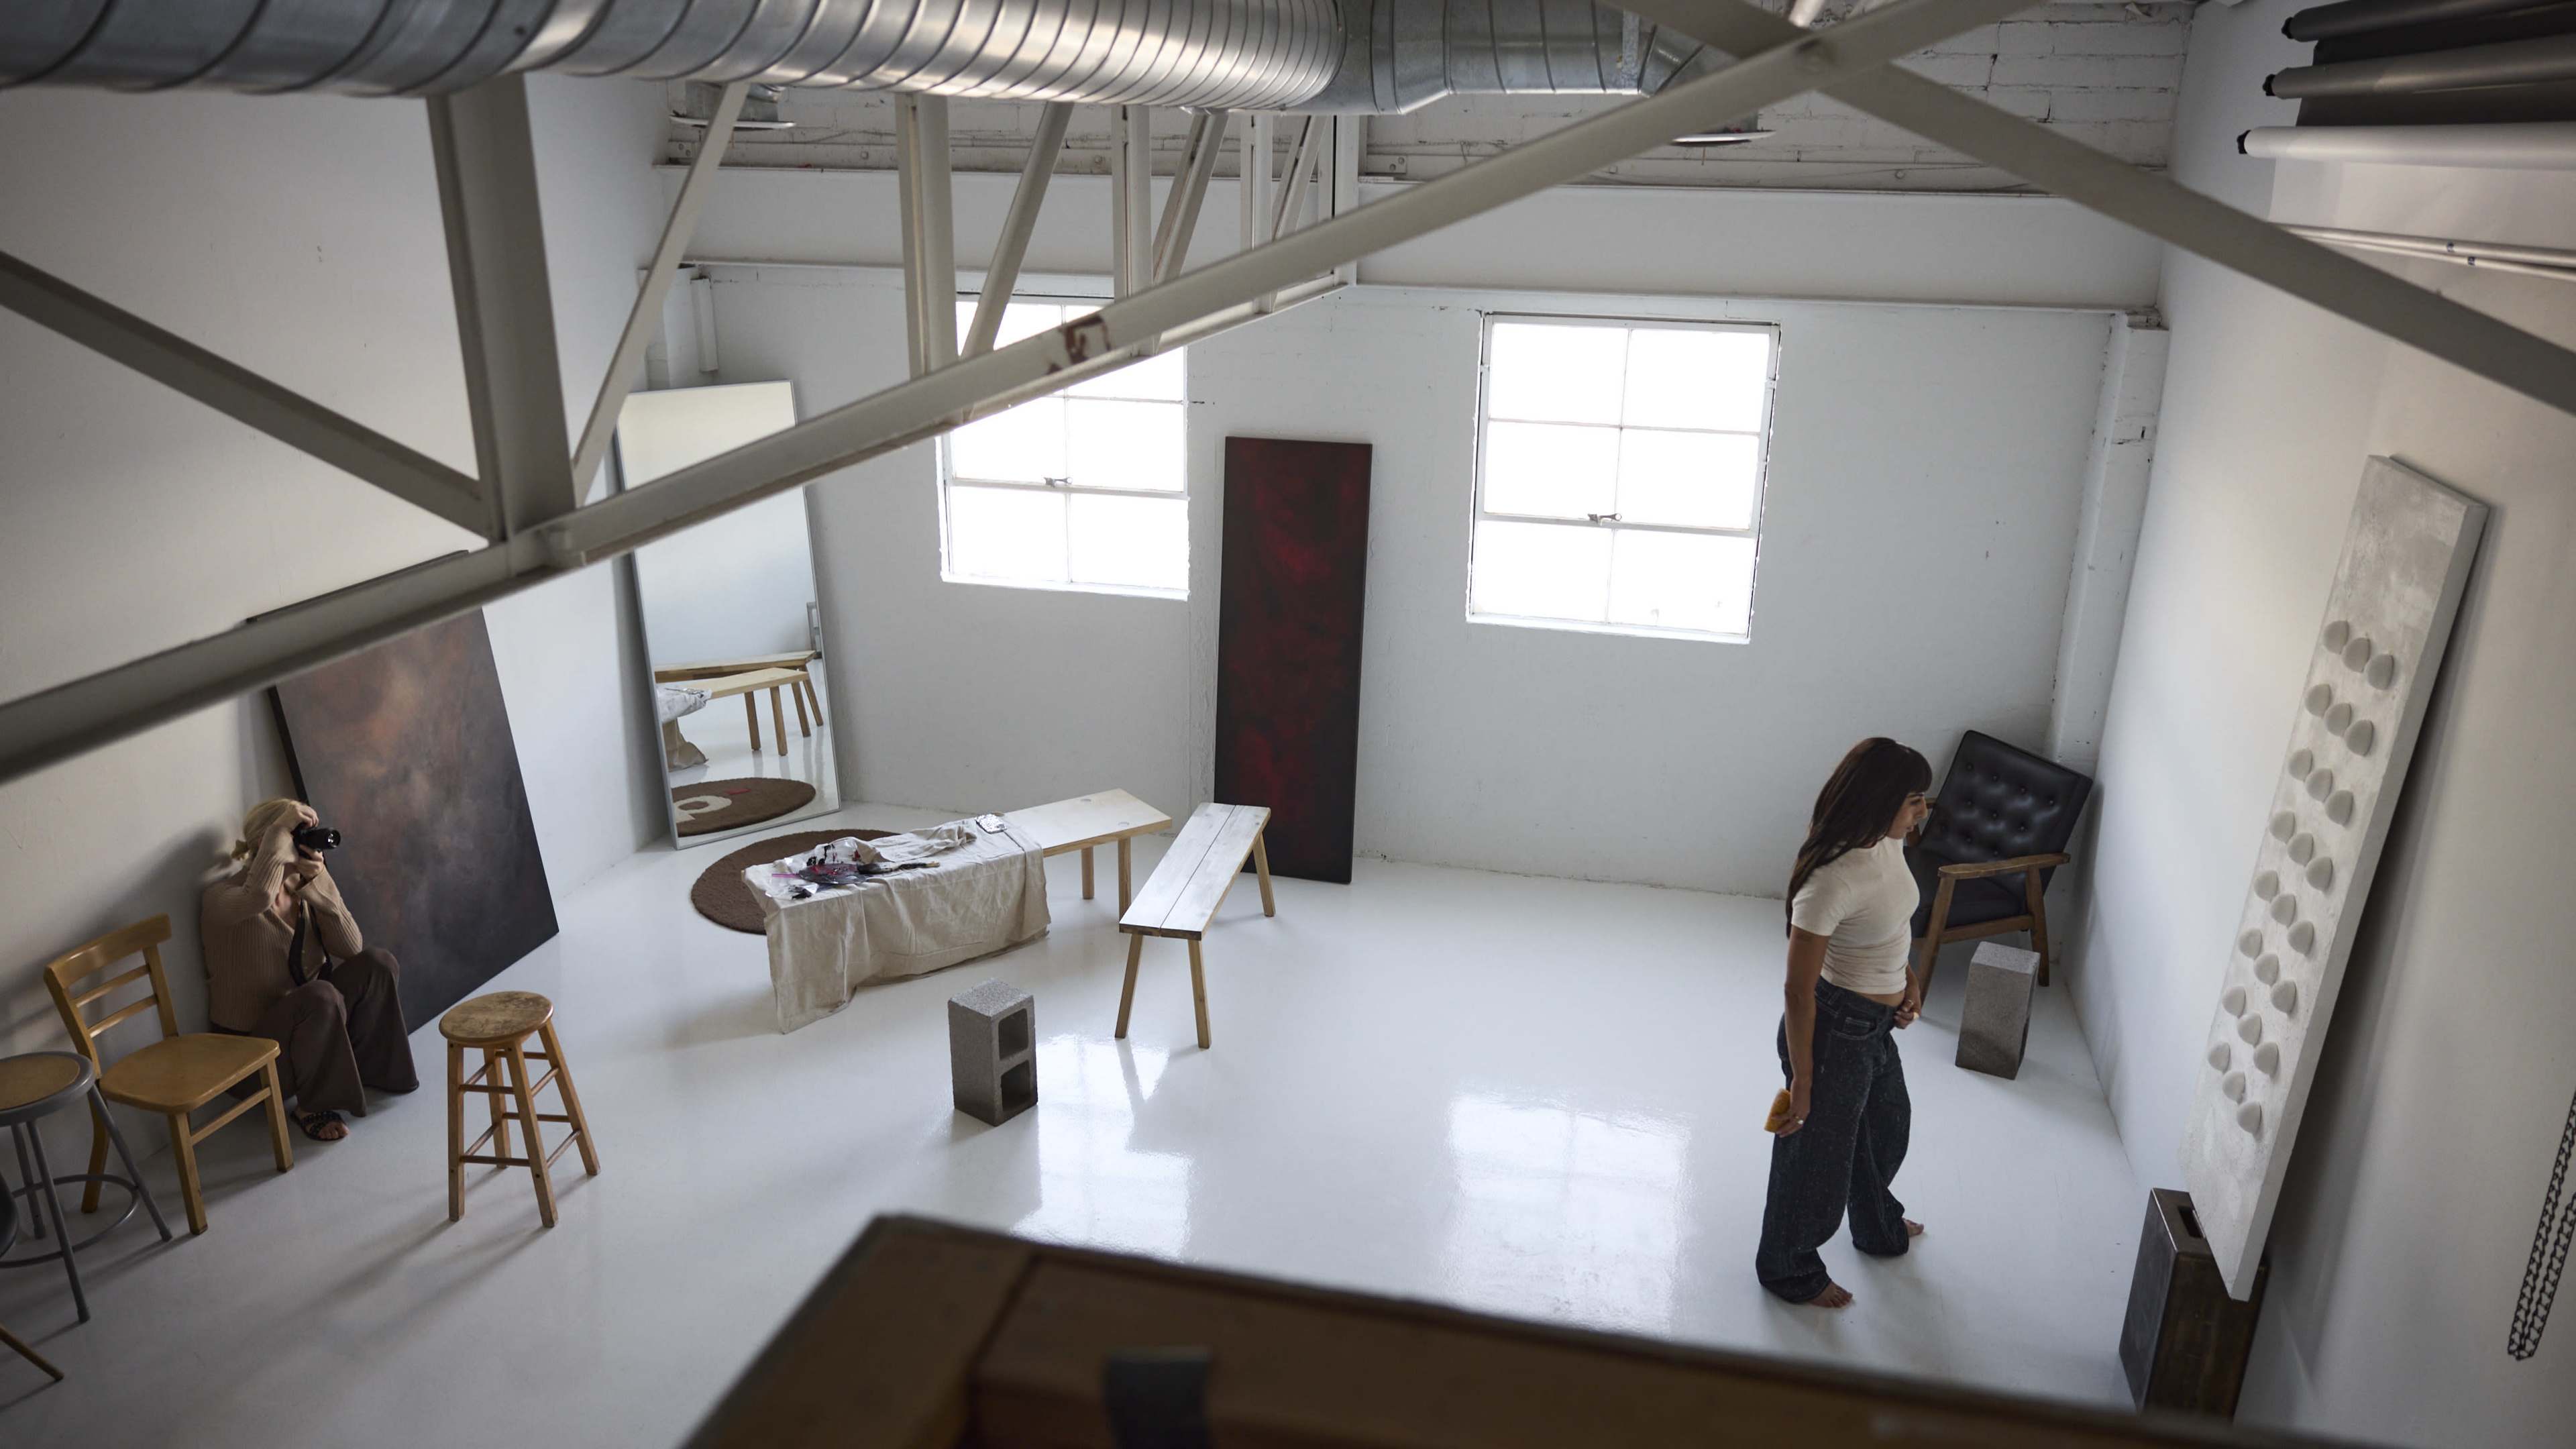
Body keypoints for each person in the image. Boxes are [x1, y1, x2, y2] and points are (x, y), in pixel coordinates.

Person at [1756, 737, 1935, 1308]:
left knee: (1887, 1124)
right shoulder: (1830, 879)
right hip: (1834, 1029)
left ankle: (1876, 1222)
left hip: (1874, 1024)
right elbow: (1797, 989)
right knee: (1815, 1162)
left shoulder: (1887, 845)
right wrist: (1803, 1082)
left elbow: (1891, 922)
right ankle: (1788, 1270)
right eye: (1913, 802)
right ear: (1880, 800)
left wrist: (1907, 981)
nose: (1921, 814)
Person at [201, 798, 418, 1140]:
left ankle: (373, 1069)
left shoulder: (303, 889)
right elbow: (258, 896)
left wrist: (321, 882)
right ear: (265, 843)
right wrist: (278, 830)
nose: (307, 840)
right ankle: (314, 1105)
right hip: (252, 1058)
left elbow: (352, 948)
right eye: (296, 833)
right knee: (321, 994)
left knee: (378, 963)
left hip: (312, 1023)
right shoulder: (221, 898)